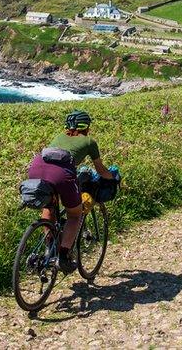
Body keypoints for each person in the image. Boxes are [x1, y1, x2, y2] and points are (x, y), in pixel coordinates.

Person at [27, 109, 116, 273]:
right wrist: (112, 178)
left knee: (49, 208)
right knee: (75, 215)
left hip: (36, 168)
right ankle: (62, 256)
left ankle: (49, 248)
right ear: (86, 126)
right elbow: (101, 170)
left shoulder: (59, 137)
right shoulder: (89, 141)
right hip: (61, 174)